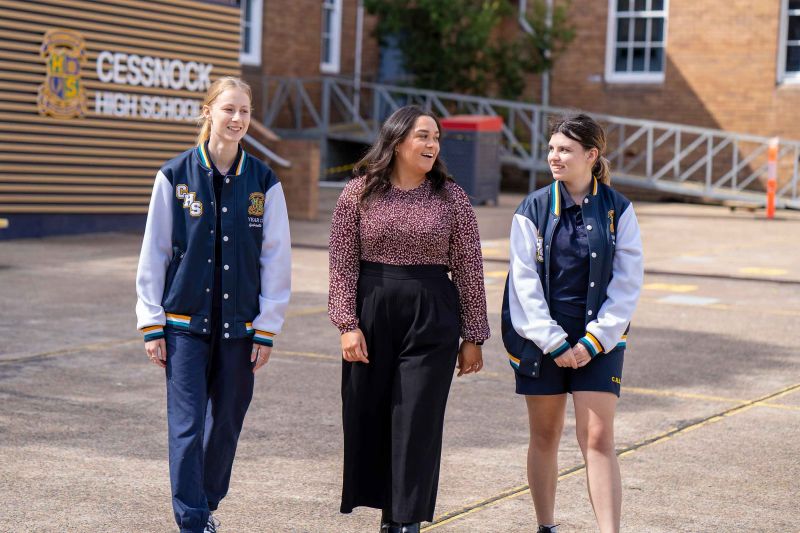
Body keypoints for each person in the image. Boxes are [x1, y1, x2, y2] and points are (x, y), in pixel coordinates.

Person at [135, 76, 291, 533]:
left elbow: (275, 258)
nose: (238, 119)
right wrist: (151, 321)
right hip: (183, 324)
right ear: (208, 112)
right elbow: (155, 252)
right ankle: (193, 521)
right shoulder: (174, 176)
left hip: (241, 328)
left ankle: (205, 502)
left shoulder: (264, 181)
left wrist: (267, 326)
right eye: (229, 109)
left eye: (245, 111)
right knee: (185, 427)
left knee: (225, 423)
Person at [328, 105, 490, 533]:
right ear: (397, 142)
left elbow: (470, 267)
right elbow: (342, 265)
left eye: (436, 138)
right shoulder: (358, 193)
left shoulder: (451, 197)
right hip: (372, 313)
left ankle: (405, 521)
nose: (432, 145)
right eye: (423, 136)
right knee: (372, 414)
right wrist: (347, 323)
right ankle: (386, 511)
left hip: (432, 315)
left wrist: (473, 335)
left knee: (417, 419)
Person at [501, 113, 643, 533]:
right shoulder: (533, 207)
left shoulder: (619, 210)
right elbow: (523, 284)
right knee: (545, 435)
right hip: (542, 340)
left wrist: (595, 340)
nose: (554, 157)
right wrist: (555, 343)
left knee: (597, 438)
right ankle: (546, 526)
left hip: (600, 339)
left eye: (564, 149)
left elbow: (628, 282)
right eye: (551, 149)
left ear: (591, 155)